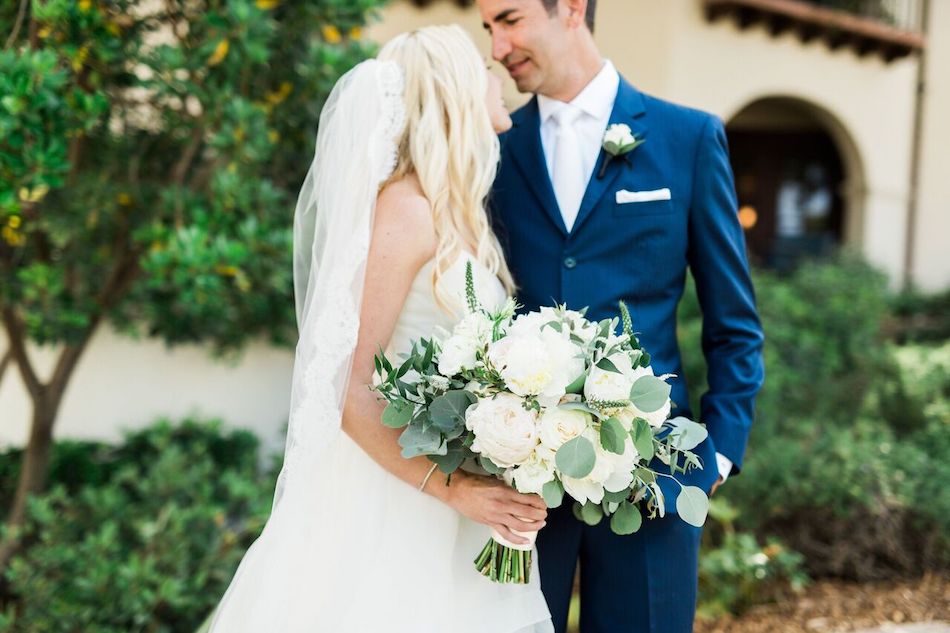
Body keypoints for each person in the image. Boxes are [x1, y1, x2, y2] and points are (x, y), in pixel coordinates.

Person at [206, 25, 553, 633]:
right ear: (455, 94)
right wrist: (452, 490)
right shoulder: (405, 211)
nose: (495, 70)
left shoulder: (458, 215)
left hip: (462, 506)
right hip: (397, 504)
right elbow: (345, 382)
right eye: (480, 67)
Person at [476, 1, 765, 631]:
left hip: (656, 480)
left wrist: (714, 457)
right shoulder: (493, 151)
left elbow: (735, 325)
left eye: (510, 19)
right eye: (488, 30)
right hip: (520, 486)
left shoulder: (688, 139)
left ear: (572, 8)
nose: (498, 48)